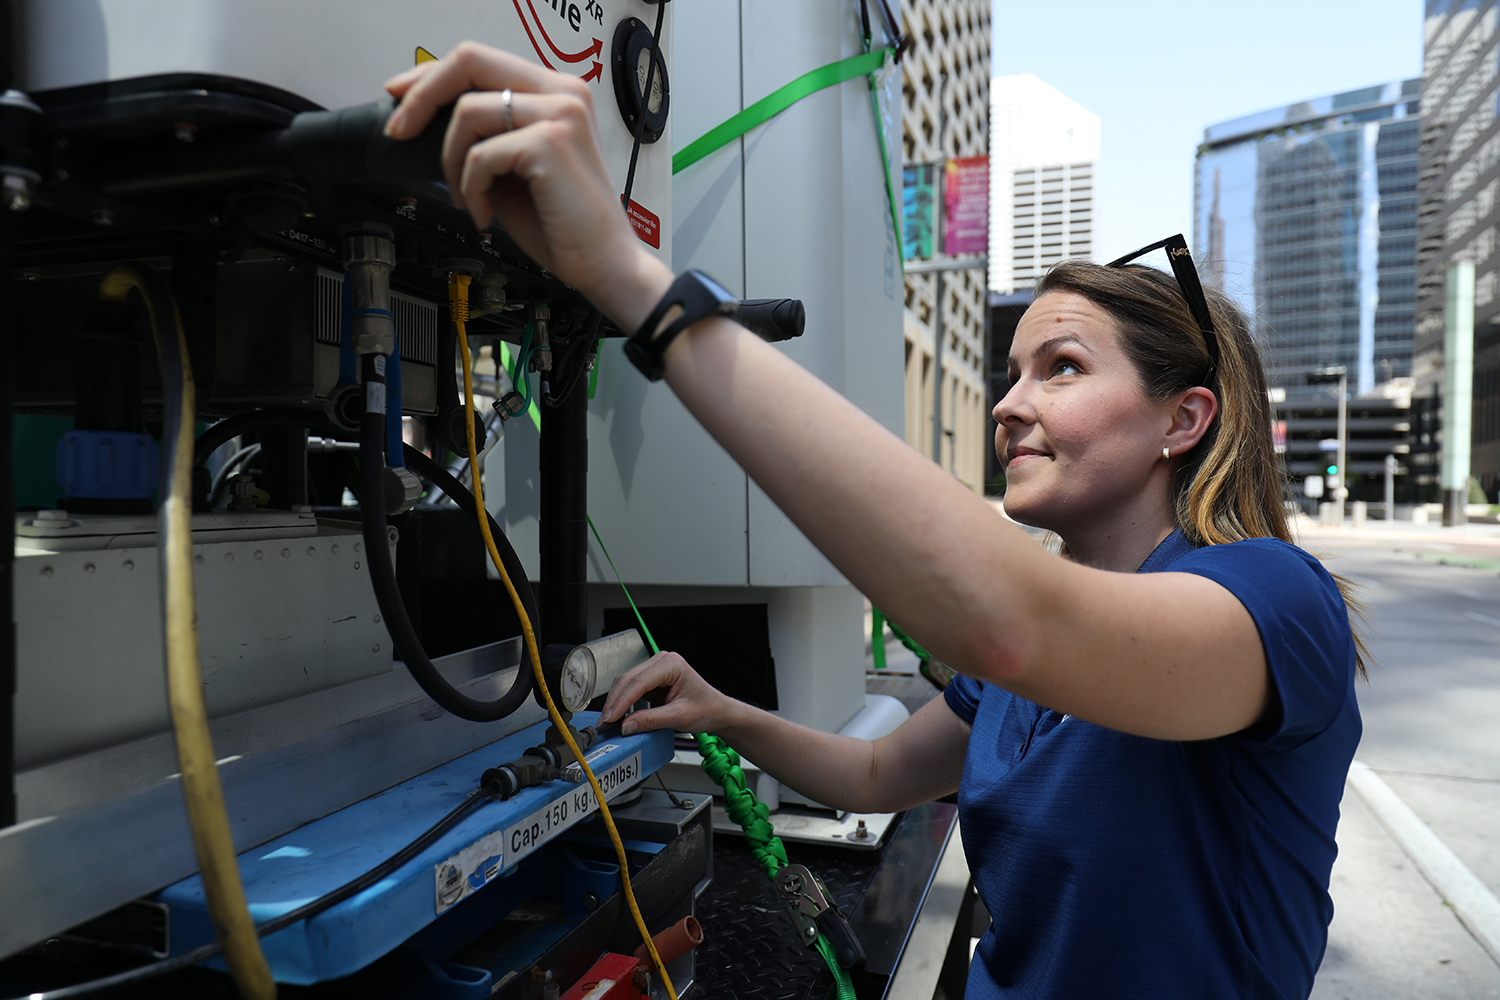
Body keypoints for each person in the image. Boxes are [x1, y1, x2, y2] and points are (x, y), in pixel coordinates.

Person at [385, 44, 1363, 1000]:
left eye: (1061, 367)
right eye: (1010, 372)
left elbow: (1011, 621)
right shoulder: (1029, 668)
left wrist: (631, 279)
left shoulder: (1275, 601)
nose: (1007, 405)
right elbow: (878, 769)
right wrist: (720, 709)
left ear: (1182, 418)